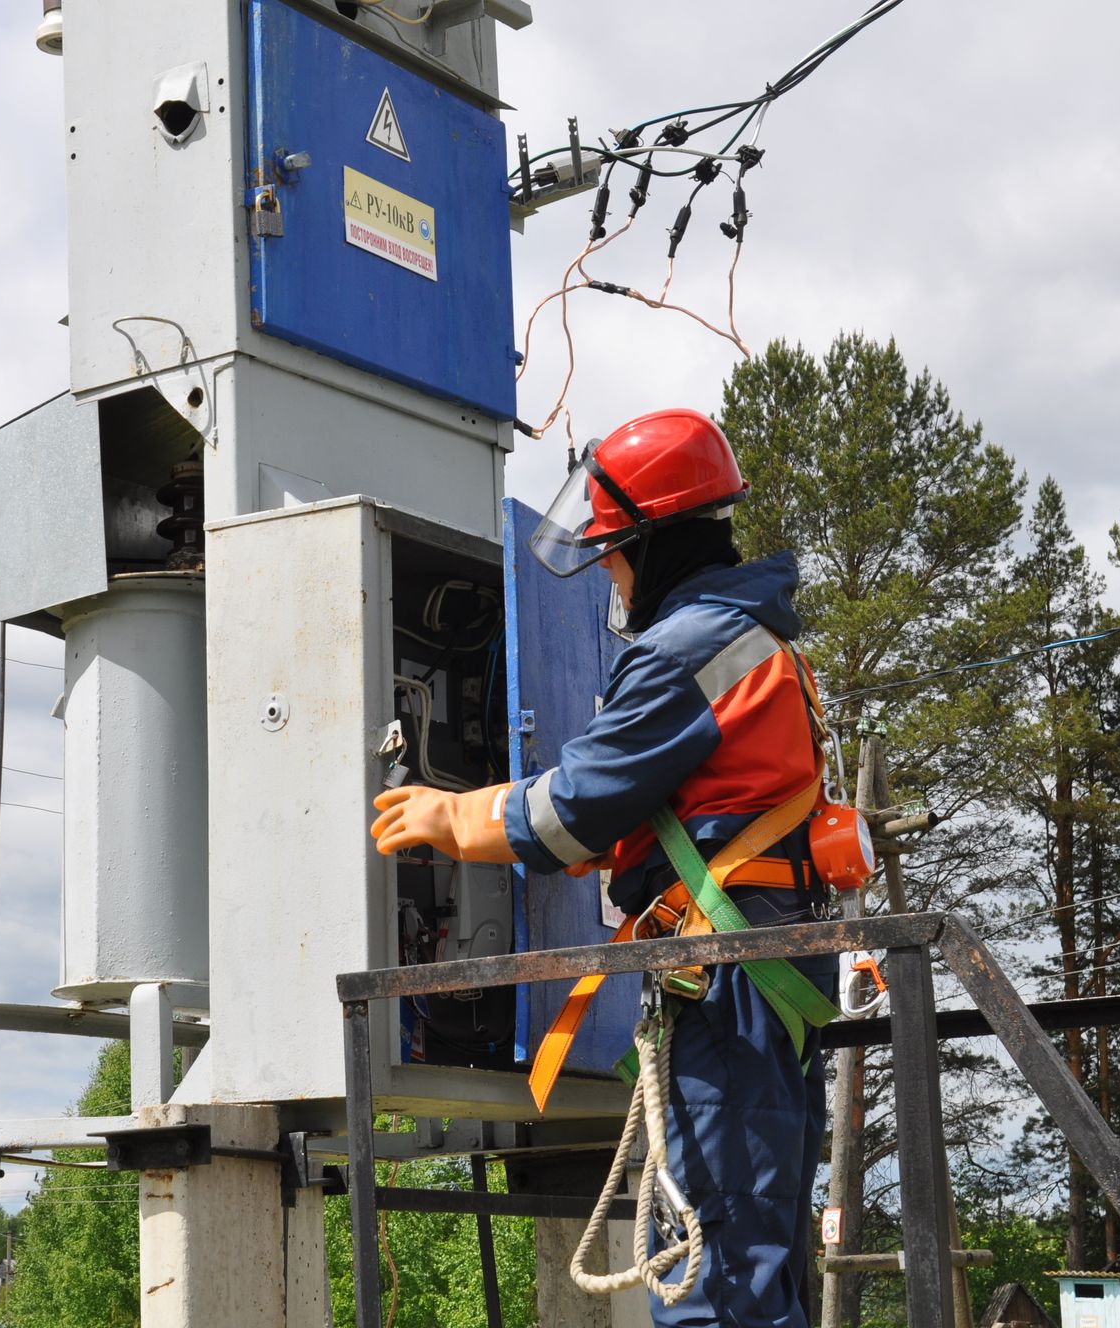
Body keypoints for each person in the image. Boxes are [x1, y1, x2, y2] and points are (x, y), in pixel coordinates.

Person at [371, 407, 836, 1328]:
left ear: (657, 542)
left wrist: (449, 814)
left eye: (616, 552)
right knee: (757, 1258)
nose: (611, 574)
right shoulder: (753, 636)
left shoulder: (687, 649)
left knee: (715, 1276)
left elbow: (571, 811)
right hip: (761, 973)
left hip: (731, 988)